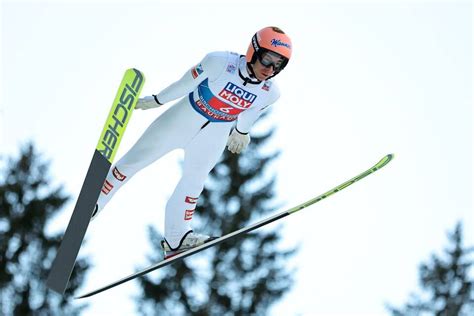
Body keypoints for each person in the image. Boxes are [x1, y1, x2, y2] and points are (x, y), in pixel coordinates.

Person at [91, 26, 292, 259]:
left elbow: (252, 111)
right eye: (267, 59)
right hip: (183, 119)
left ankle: (177, 238)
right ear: (253, 51)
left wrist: (242, 131)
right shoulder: (219, 62)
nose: (270, 69)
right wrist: (156, 100)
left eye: (278, 65)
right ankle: (95, 202)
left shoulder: (271, 92)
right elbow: (184, 83)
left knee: (194, 182)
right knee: (136, 160)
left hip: (214, 134)